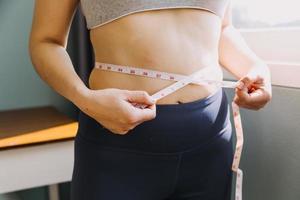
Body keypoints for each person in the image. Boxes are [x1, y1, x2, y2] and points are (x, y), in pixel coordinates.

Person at [29, 0, 272, 199]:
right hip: (119, 147)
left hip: (212, 141)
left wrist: (254, 66)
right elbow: (46, 41)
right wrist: (84, 98)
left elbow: (222, 27)